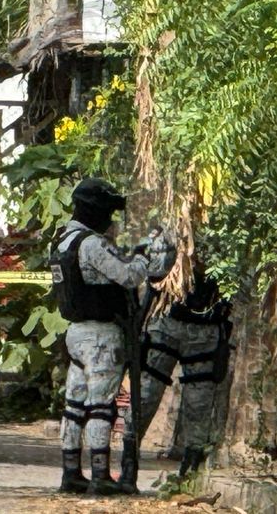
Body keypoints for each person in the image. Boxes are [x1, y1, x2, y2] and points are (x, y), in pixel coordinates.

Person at [50, 177, 175, 496]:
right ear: (95, 211)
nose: (110, 220)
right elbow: (129, 275)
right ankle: (100, 475)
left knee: (74, 405)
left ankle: (71, 473)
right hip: (101, 335)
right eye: (107, 212)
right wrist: (147, 254)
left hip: (76, 334)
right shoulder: (92, 243)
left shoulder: (61, 239)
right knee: (100, 405)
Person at [118, 264, 233, 489]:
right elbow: (154, 276)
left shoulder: (227, 239)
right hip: (166, 323)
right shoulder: (176, 232)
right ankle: (128, 468)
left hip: (205, 331)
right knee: (145, 396)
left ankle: (188, 476)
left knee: (198, 404)